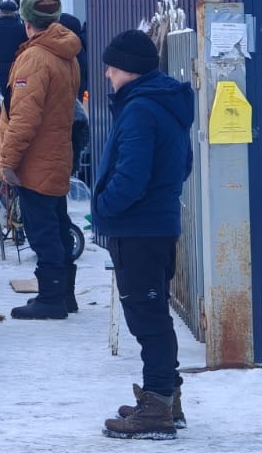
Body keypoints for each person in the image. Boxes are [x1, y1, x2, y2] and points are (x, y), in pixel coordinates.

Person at [93, 31, 196, 440]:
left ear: (130, 70)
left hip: (138, 229)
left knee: (147, 318)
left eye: (112, 68)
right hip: (156, 225)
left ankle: (157, 409)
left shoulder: (140, 109)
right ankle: (166, 398)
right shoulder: (163, 103)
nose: (106, 74)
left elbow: (131, 178)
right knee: (153, 314)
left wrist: (104, 206)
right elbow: (183, 165)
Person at [0, 0, 82, 320]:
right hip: (58, 150)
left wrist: (8, 161)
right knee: (57, 223)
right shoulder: (66, 53)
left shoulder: (36, 58)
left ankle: (51, 298)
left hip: (36, 157)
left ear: (28, 24)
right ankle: (65, 294)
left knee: (42, 229)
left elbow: (24, 117)